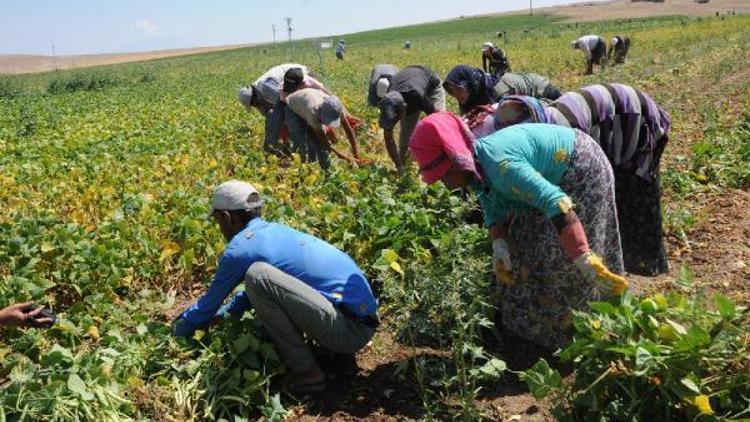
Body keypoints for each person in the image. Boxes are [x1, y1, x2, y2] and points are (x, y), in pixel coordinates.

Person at [410, 113, 628, 349]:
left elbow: (557, 204)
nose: (444, 183)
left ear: (455, 159)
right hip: (545, 178)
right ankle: (534, 334)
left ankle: (583, 336)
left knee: (562, 263)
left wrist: (583, 257)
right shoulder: (476, 170)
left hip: (579, 166)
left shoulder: (502, 166)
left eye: (443, 175)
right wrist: (499, 244)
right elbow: (491, 204)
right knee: (524, 252)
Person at [172, 180, 379, 395]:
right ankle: (327, 352)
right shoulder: (274, 231)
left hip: (348, 332)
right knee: (259, 278)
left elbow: (207, 306)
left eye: (218, 221)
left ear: (227, 217)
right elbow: (257, 293)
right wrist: (225, 315)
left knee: (257, 275)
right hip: (362, 321)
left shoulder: (240, 247)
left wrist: (175, 333)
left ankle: (308, 374)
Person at [492, 84, 670, 275]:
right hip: (608, 115)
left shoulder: (559, 135)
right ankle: (621, 260)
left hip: (633, 116)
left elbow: (576, 188)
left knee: (632, 196)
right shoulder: (536, 131)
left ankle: (644, 265)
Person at [378, 65, 445, 173]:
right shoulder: (389, 101)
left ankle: (439, 163)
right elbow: (388, 137)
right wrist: (399, 166)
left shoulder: (417, 96)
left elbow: (437, 121)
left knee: (439, 124)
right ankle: (403, 166)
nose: (397, 122)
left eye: (398, 118)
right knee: (405, 140)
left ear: (404, 109)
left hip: (430, 83)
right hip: (408, 83)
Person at [237, 63, 311, 156]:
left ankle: (308, 143)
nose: (255, 106)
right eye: (253, 105)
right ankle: (284, 145)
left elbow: (289, 102)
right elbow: (270, 118)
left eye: (253, 104)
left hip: (301, 75)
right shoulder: (259, 99)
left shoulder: (267, 89)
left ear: (254, 97)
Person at [285, 88, 363, 170]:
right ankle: (305, 170)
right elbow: (325, 143)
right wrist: (347, 159)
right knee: (304, 145)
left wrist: (356, 154)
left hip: (306, 101)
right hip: (292, 109)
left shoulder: (337, 109)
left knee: (319, 146)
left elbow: (348, 129)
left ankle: (326, 171)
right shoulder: (312, 110)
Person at [443, 65, 560, 115]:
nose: (456, 95)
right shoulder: (470, 96)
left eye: (459, 90)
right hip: (524, 97)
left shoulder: (498, 92)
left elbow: (512, 121)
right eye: (452, 92)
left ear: (469, 85)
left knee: (555, 114)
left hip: (540, 89)